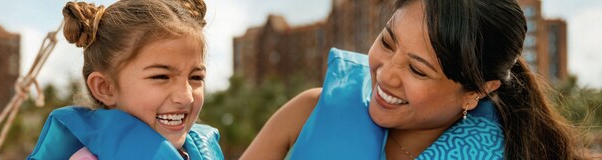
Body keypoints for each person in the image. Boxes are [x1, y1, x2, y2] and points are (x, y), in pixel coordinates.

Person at [242, 0, 582, 159]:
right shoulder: (308, 113)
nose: (386, 74)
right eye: (387, 43)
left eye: (418, 70)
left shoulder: (518, 152)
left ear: (476, 92)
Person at [28, 0, 224, 159]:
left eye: (196, 77)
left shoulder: (192, 152)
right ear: (105, 88)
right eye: (161, 76)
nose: (186, 97)